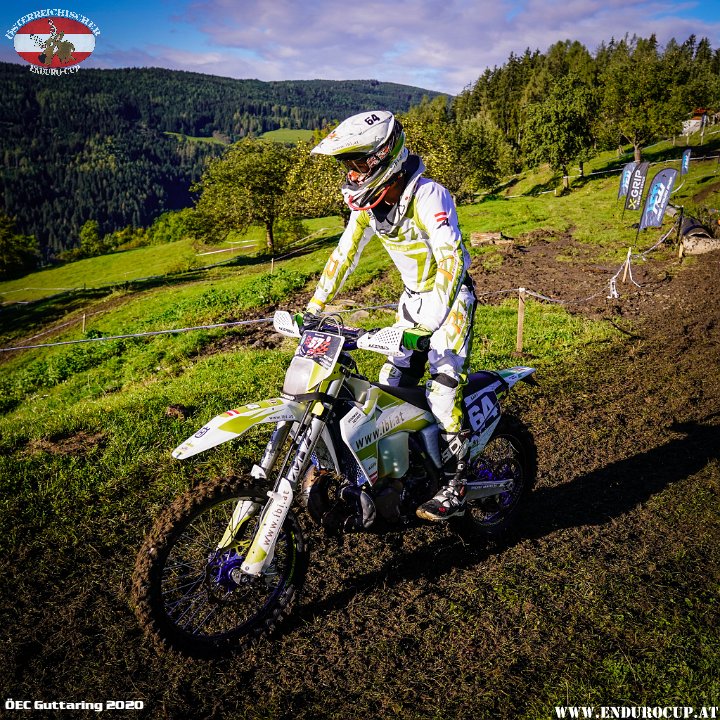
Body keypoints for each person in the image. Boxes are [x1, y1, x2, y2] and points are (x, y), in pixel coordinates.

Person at [304, 110, 476, 521]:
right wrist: (314, 307)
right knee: (388, 391)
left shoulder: (428, 195)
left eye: (358, 163)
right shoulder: (368, 207)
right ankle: (403, 473)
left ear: (384, 156)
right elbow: (344, 254)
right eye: (348, 165)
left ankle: (458, 481)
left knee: (443, 391)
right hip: (412, 303)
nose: (353, 173)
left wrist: (433, 320)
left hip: (450, 302)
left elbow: (452, 258)